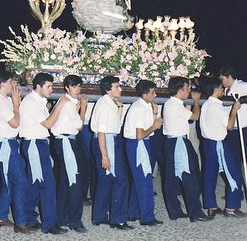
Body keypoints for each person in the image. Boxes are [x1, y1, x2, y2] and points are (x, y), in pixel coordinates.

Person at [19, 72, 69, 235]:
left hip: (38, 143)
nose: (51, 89)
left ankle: (29, 219)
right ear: (38, 86)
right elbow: (48, 123)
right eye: (48, 86)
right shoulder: (31, 102)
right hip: (34, 144)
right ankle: (49, 224)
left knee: (35, 183)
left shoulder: (39, 101)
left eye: (52, 86)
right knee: (47, 184)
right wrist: (60, 106)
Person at [162, 76, 212, 222]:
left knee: (171, 179)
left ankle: (175, 211)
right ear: (180, 89)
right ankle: (196, 213)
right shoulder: (176, 105)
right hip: (179, 143)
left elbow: (185, 117)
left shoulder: (170, 104)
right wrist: (196, 101)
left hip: (171, 142)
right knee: (190, 176)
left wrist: (189, 104)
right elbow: (195, 116)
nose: (189, 90)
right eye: (187, 88)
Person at [90, 75, 133, 230]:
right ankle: (118, 219)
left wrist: (119, 109)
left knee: (105, 180)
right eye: (117, 87)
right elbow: (102, 132)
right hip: (106, 143)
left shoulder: (109, 103)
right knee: (121, 180)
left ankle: (99, 216)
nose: (120, 89)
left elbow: (114, 126)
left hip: (108, 140)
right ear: (108, 89)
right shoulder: (105, 105)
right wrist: (105, 156)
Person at [199, 76, 246, 217]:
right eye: (221, 88)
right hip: (219, 143)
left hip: (207, 143)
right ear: (215, 90)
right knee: (234, 173)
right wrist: (234, 109)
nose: (223, 90)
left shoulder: (206, 104)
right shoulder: (217, 107)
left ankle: (211, 206)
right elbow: (230, 126)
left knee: (210, 174)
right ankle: (231, 207)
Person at [0, 75, 30, 234]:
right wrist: (16, 104)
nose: (14, 84)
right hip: (5, 144)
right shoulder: (0, 101)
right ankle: (20, 223)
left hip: (9, 143)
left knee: (10, 182)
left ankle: (1, 217)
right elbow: (14, 122)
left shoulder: (2, 99)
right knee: (20, 181)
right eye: (11, 81)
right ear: (3, 83)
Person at [51, 75, 88, 233]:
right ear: (67, 88)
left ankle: (62, 218)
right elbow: (79, 125)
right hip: (67, 142)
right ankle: (75, 221)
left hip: (64, 141)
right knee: (76, 181)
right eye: (74, 86)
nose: (77, 89)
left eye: (79, 86)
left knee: (66, 181)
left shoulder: (66, 101)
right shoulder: (68, 104)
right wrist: (83, 109)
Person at [123, 79, 163, 226]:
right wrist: (155, 125)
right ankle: (147, 217)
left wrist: (154, 113)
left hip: (143, 143)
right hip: (137, 144)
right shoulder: (139, 108)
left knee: (138, 179)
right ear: (144, 94)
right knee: (145, 180)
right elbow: (140, 134)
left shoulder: (145, 106)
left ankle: (132, 212)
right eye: (152, 92)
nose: (155, 95)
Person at [219, 64, 247, 159]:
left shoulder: (243, 86)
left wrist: (242, 99)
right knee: (233, 158)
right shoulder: (224, 90)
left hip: (243, 128)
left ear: (229, 77)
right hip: (230, 129)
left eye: (222, 79)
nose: (221, 81)